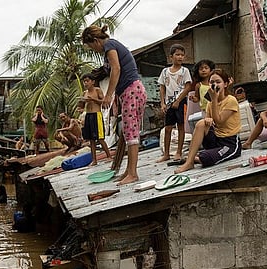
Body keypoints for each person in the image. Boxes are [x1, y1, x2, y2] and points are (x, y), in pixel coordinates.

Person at [81, 25, 147, 185]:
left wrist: (108, 95)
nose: (93, 50)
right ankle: (128, 171)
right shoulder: (109, 49)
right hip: (127, 92)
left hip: (133, 90)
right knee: (126, 132)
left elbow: (116, 69)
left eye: (91, 46)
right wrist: (117, 97)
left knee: (131, 133)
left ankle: (133, 173)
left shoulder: (110, 45)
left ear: (96, 41)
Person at [175, 69, 241, 174]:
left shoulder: (230, 100)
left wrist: (214, 99)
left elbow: (219, 121)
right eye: (212, 82)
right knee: (201, 123)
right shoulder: (210, 103)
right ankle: (189, 161)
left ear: (225, 84)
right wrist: (207, 118)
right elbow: (209, 121)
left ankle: (196, 157)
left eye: (218, 82)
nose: (215, 85)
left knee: (205, 158)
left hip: (229, 143)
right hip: (215, 139)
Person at [156, 44, 193, 163]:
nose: (180, 57)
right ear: (171, 57)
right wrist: (162, 103)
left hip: (181, 102)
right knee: (168, 128)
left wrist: (178, 100)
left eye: (182, 55)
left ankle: (178, 152)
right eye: (177, 55)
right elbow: (162, 88)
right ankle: (166, 154)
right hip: (169, 103)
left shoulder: (184, 71)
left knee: (181, 127)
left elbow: (188, 87)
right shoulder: (165, 71)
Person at [81, 73, 112, 165]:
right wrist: (81, 104)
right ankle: (94, 160)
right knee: (91, 139)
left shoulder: (97, 90)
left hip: (96, 115)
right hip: (88, 115)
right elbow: (81, 105)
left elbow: (103, 101)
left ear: (93, 82)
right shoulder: (84, 93)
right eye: (84, 81)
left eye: (87, 81)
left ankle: (109, 156)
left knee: (100, 138)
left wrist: (93, 100)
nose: (85, 83)